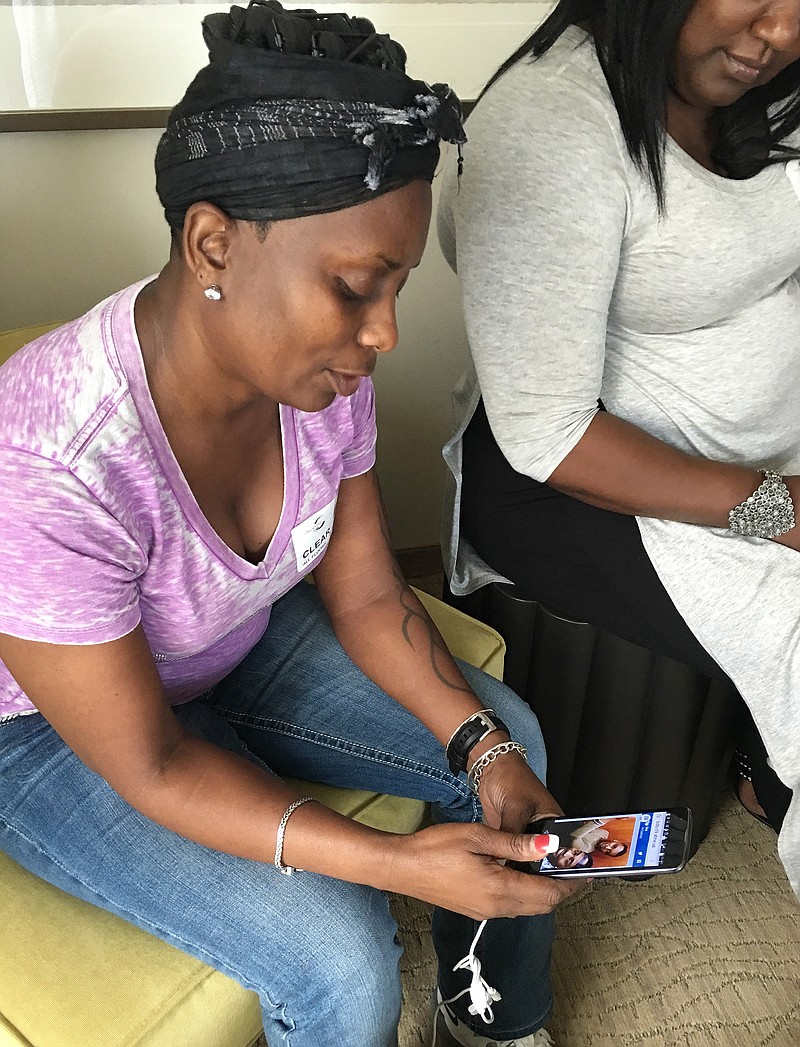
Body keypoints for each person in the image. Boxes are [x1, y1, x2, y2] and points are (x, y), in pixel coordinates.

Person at [0, 4, 579, 1047]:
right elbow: (154, 765)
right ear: (212, 241)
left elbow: (362, 590)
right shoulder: (48, 461)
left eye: (397, 287)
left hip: (231, 648)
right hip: (53, 736)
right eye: (357, 288)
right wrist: (397, 866)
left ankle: (490, 1020)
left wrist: (483, 749)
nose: (385, 332)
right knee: (340, 961)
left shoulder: (319, 379)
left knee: (508, 742)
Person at [437, 0, 800, 898]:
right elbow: (550, 436)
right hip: (576, 485)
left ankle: (761, 762)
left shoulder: (769, 91)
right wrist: (781, 511)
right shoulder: (553, 119)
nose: (780, 34)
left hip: (757, 455)